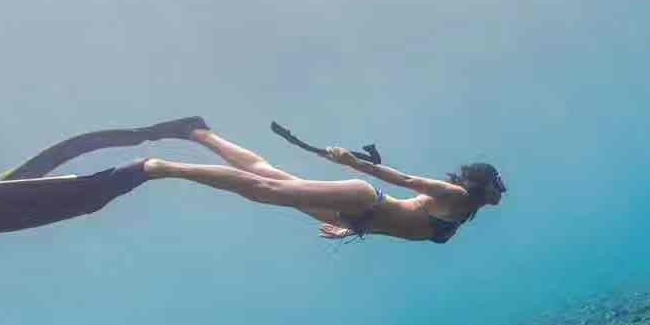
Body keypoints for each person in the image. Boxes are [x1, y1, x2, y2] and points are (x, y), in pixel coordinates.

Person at [140, 118, 504, 243]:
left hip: (353, 220)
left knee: (266, 177)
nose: (501, 190)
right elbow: (404, 179)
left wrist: (350, 231)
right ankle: (164, 167)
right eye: (497, 182)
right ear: (481, 183)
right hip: (366, 200)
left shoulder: (465, 210)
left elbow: (402, 228)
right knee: (264, 189)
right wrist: (351, 162)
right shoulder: (455, 195)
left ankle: (199, 133)